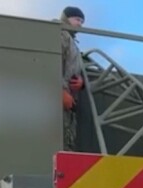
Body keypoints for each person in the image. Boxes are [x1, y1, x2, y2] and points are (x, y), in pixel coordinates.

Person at [60, 6, 85, 151]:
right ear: (66, 18)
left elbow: (75, 69)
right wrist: (61, 92)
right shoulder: (60, 35)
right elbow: (50, 65)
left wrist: (81, 83)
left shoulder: (73, 42)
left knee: (67, 140)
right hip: (57, 100)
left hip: (69, 102)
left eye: (82, 21)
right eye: (77, 19)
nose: (80, 24)